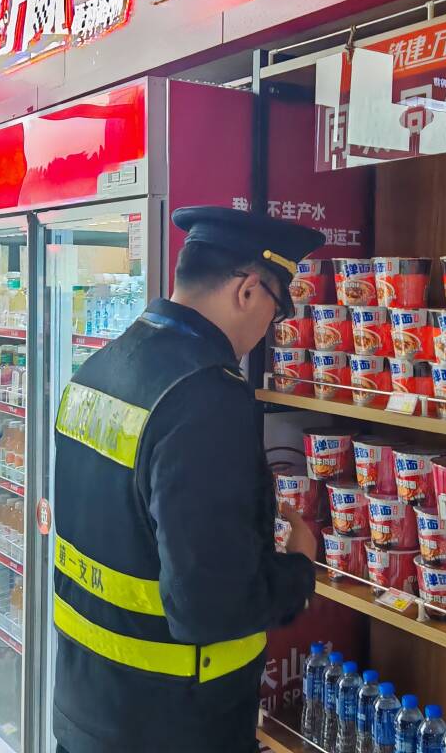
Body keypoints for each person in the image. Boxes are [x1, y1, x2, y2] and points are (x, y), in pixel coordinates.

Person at [51, 206, 325, 753]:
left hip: (88, 708)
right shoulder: (205, 398)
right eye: (275, 310)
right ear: (248, 291)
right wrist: (298, 570)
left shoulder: (100, 367)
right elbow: (209, 606)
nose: (267, 330)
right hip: (174, 721)